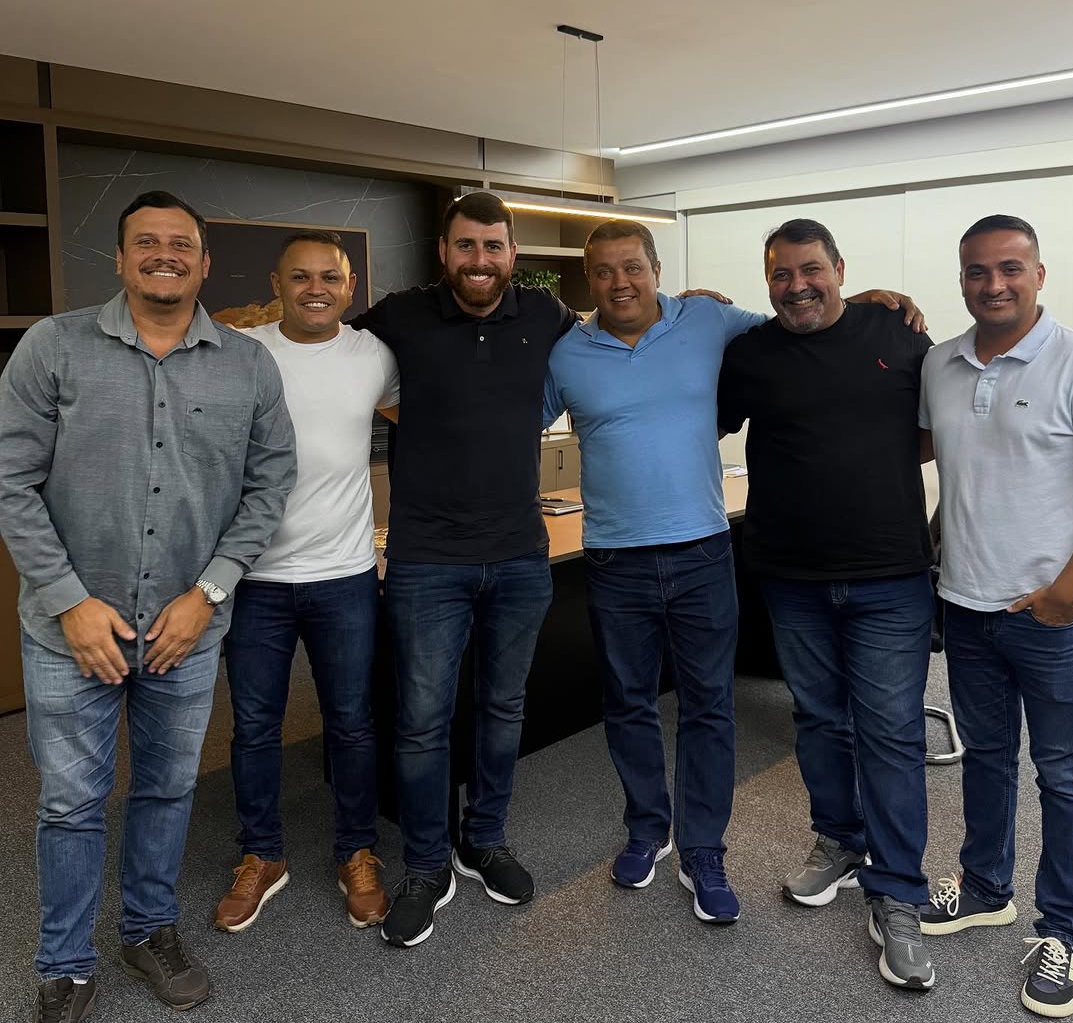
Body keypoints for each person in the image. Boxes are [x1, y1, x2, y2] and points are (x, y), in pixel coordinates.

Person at [542, 219, 923, 927]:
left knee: (709, 707)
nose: (620, 282)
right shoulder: (568, 352)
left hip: (702, 554)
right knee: (628, 704)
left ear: (657, 270)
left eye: (633, 267)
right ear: (587, 280)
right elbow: (511, 426)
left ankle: (704, 851)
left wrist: (872, 300)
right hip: (615, 559)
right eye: (604, 271)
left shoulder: (709, 320)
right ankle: (647, 830)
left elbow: (805, 318)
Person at [0, 191, 296, 1022]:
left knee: (166, 791)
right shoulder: (53, 347)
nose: (165, 254)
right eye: (147, 242)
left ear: (204, 263)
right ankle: (64, 963)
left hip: (184, 631)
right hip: (71, 636)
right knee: (70, 803)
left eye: (181, 244)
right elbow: (10, 479)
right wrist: (69, 602)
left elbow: (270, 486)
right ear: (122, 258)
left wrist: (209, 594)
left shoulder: (247, 364)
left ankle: (148, 930)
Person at [349, 191, 578, 948]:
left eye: (493, 246)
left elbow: (628, 324)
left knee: (502, 710)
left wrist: (696, 304)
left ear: (512, 254)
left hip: (519, 555)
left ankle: (483, 840)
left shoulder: (544, 315)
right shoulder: (400, 315)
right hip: (426, 561)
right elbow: (320, 342)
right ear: (444, 252)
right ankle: (425, 866)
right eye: (466, 246)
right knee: (422, 722)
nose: (480, 260)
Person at [715, 218, 936, 989]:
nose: (797, 285)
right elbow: (699, 413)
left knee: (891, 733)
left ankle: (898, 892)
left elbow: (931, 432)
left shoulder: (896, 332)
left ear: (840, 268)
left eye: (811, 269)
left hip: (890, 577)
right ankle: (839, 839)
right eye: (781, 274)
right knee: (818, 720)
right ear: (767, 281)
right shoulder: (751, 354)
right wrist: (688, 308)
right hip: (792, 577)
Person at [213, 230, 399, 935]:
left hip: (345, 576)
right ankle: (262, 855)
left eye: (329, 277)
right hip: (253, 577)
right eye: (300, 276)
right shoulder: (243, 350)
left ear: (350, 287)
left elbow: (427, 421)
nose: (315, 289)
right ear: (277, 284)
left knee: (351, 722)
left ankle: (356, 851)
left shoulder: (374, 355)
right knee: (255, 727)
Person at [919, 214, 1073, 1018]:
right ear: (961, 280)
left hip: (1050, 616)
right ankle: (986, 887)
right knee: (987, 757)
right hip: (966, 602)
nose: (994, 284)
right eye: (977, 271)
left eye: (1010, 268)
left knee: (1065, 775)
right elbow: (925, 451)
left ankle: (1068, 929)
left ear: (1039, 274)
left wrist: (1066, 592)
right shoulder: (940, 363)